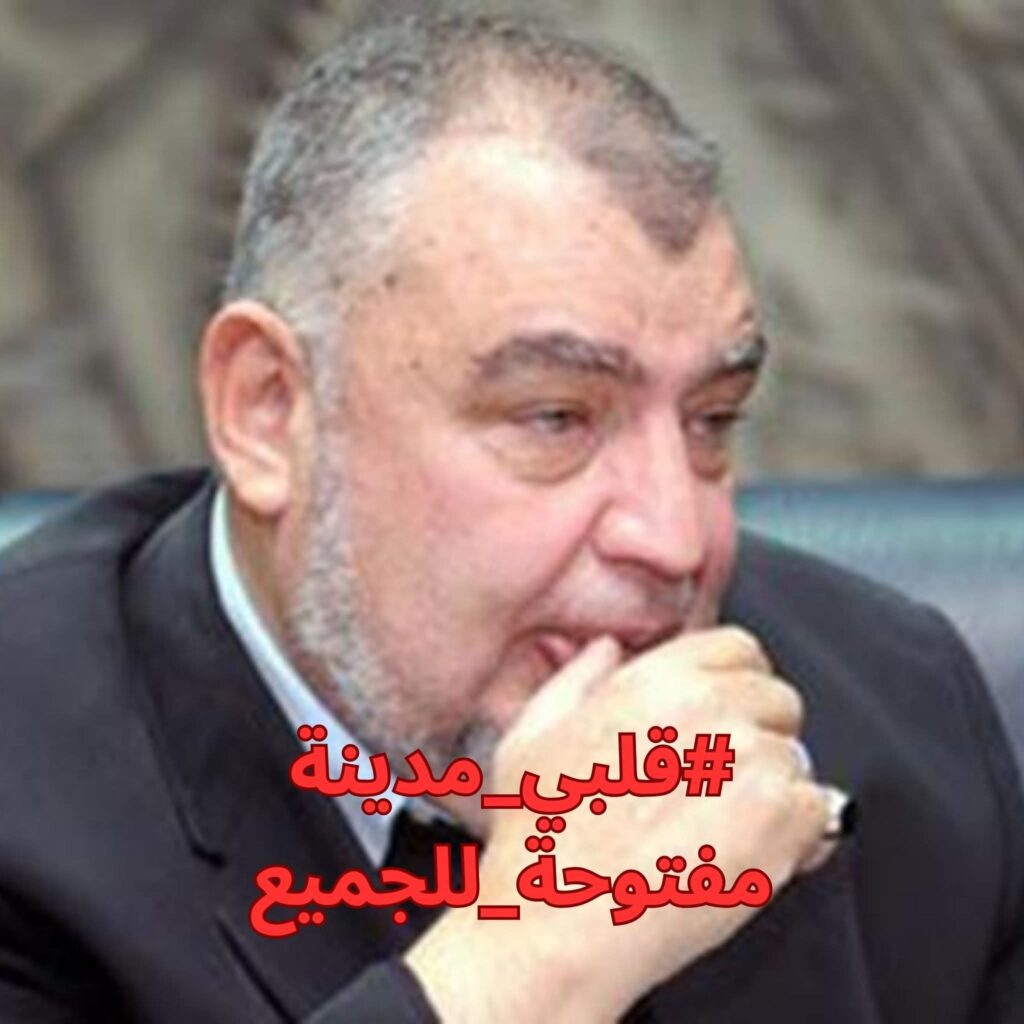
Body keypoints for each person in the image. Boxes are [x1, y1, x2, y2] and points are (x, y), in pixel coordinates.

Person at [0, 11, 1021, 1023]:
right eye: (556, 417)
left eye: (711, 420)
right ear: (270, 411)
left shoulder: (902, 720)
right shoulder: (28, 798)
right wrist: (543, 952)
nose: (675, 541)